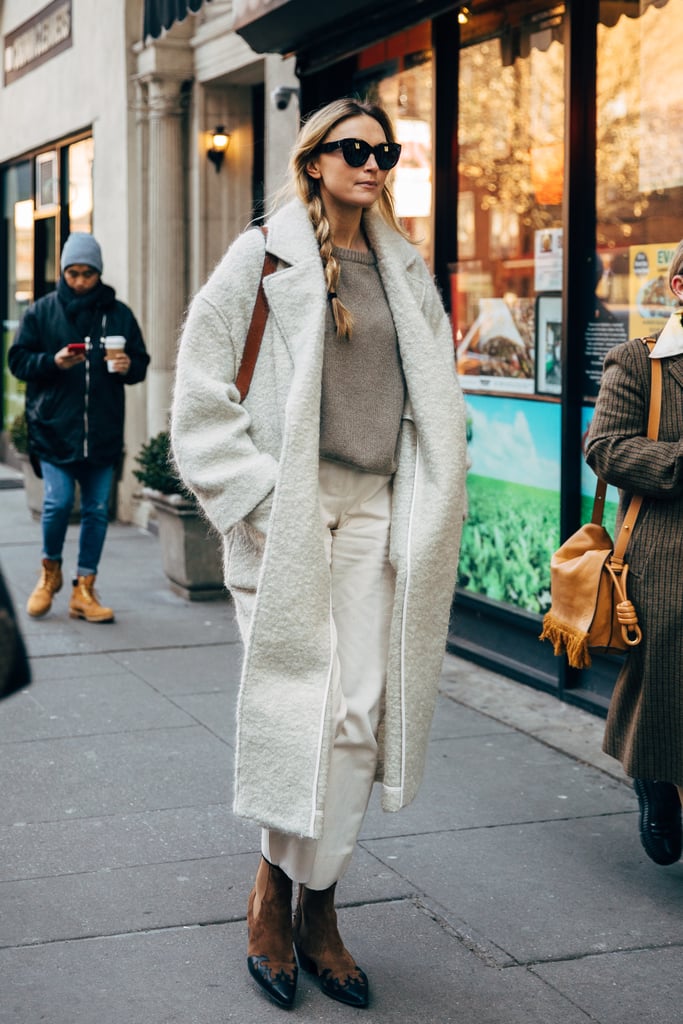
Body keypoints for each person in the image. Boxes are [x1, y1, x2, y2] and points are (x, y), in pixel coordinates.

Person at [171, 97, 468, 1010]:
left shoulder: (400, 266)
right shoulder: (260, 256)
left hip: (377, 507)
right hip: (292, 510)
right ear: (314, 160)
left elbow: (434, 394)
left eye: (386, 151)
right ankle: (274, 894)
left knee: (358, 717)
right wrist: (257, 498)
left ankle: (322, 904)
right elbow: (198, 389)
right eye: (355, 149)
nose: (373, 163)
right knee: (306, 709)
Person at [585, 238, 683, 867]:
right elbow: (604, 447)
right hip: (663, 557)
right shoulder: (640, 361)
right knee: (667, 688)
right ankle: (657, 781)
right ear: (679, 288)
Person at [8, 232, 149, 623]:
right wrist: (52, 362)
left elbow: (140, 361)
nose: (81, 280)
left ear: (98, 273)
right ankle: (49, 572)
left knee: (96, 511)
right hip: (53, 428)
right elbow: (18, 361)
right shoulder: (41, 312)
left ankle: (84, 589)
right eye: (73, 273)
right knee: (55, 504)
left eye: (88, 273)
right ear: (64, 271)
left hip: (102, 432)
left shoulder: (117, 313)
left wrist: (127, 367)